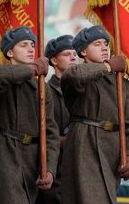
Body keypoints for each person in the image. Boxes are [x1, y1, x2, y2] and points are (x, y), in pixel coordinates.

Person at [60, 25, 129, 204]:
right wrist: (107, 66)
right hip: (85, 145)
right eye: (97, 44)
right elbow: (72, 76)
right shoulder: (77, 75)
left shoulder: (120, 83)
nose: (104, 47)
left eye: (106, 43)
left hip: (112, 149)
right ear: (82, 51)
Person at [0, 26, 59, 204]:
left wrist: (50, 169)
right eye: (23, 45)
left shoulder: (41, 86)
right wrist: (32, 70)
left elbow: (50, 132)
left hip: (31, 159)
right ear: (9, 52)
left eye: (32, 44)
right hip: (4, 156)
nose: (31, 49)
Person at [36, 34, 77, 204]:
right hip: (54, 166)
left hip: (77, 164)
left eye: (75, 54)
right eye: (67, 54)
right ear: (54, 60)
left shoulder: (81, 89)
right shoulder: (45, 90)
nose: (73, 57)